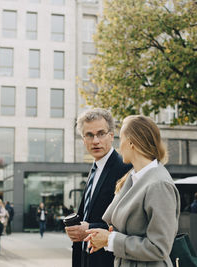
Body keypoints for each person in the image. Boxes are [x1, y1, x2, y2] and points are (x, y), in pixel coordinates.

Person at [84, 115, 180, 267]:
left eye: (121, 138)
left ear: (131, 142)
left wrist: (110, 240)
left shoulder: (159, 184)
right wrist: (106, 238)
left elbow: (160, 248)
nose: (119, 145)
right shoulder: (133, 178)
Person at [65, 108, 132, 267]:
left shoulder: (125, 169)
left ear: (111, 135)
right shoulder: (95, 169)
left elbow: (130, 224)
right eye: (89, 135)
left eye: (101, 133)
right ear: (83, 139)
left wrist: (90, 228)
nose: (95, 140)